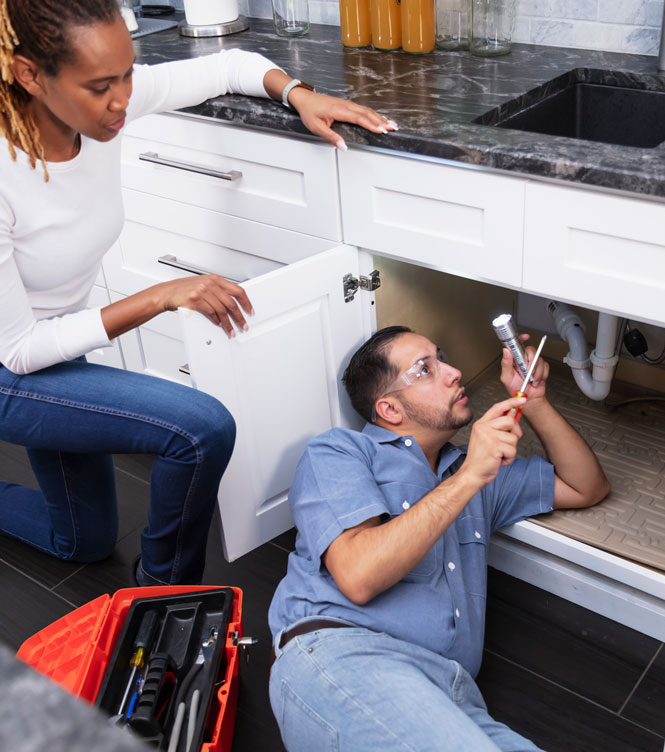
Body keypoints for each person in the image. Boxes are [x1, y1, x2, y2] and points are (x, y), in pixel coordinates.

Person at [0, 0, 397, 585]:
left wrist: (298, 93)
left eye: (129, 74)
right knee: (200, 427)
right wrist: (161, 296)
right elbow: (19, 351)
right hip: (13, 369)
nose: (123, 100)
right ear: (30, 74)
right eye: (102, 85)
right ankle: (162, 594)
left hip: (56, 344)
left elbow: (227, 65)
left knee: (80, 541)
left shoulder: (99, 109)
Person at [267, 325, 611, 751]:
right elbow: (358, 575)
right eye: (425, 369)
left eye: (442, 358)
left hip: (456, 697)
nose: (454, 372)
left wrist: (534, 403)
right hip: (346, 657)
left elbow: (585, 486)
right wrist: (470, 477)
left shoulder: (475, 470)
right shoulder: (340, 452)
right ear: (389, 409)